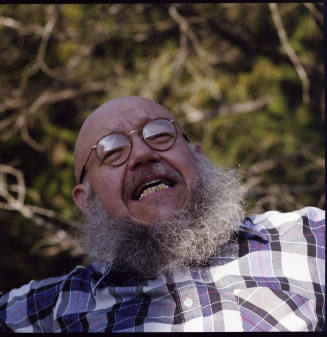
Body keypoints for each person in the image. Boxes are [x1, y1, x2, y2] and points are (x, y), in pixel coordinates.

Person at [0, 96, 325, 332]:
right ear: (85, 199)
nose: (142, 153)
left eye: (158, 134)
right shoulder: (47, 311)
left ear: (198, 156)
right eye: (111, 151)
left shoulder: (309, 236)